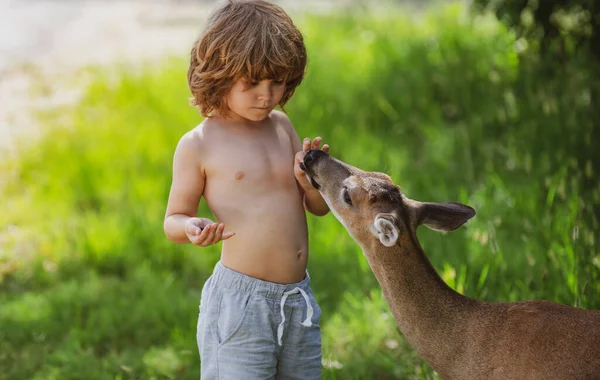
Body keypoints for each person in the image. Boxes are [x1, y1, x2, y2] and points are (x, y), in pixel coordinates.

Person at [163, 1, 330, 378]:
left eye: (276, 82)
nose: (266, 95)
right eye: (251, 82)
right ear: (220, 73)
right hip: (242, 303)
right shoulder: (199, 144)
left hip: (297, 300)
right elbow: (173, 219)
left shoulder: (282, 126)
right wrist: (192, 228)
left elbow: (316, 208)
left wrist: (310, 181)